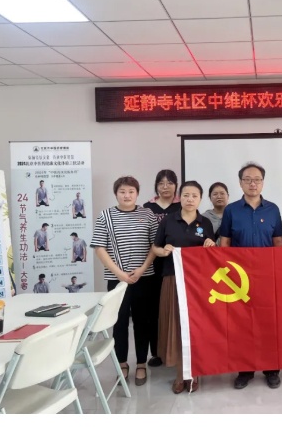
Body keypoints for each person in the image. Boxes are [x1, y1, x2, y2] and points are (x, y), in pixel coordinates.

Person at [219, 162, 282, 390]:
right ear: (240, 183)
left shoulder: (273, 209)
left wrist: (278, 271)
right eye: (247, 179)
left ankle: (271, 369)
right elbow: (225, 243)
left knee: (269, 322)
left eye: (257, 179)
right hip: (240, 278)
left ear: (263, 183)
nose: (252, 183)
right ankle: (245, 370)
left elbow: (278, 243)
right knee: (242, 324)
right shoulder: (231, 210)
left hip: (267, 276)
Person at [91, 176, 158, 386]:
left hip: (144, 277)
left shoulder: (147, 214)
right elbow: (99, 248)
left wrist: (142, 269)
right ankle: (122, 364)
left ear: (137, 193)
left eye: (131, 191)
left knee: (142, 321)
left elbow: (155, 246)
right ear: (116, 194)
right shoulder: (106, 215)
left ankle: (141, 363)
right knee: (119, 322)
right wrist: (119, 274)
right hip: (117, 280)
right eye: (122, 192)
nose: (127, 195)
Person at [150, 181, 215, 394]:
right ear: (180, 197)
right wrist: (164, 251)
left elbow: (212, 252)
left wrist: (211, 245)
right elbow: (155, 247)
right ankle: (180, 374)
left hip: (198, 283)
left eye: (194, 195)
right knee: (177, 325)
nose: (190, 199)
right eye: (186, 195)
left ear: (200, 199)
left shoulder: (205, 223)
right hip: (173, 278)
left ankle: (194, 372)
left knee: (196, 326)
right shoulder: (169, 221)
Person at [142, 169, 182, 368]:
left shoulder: (182, 205)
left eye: (170, 183)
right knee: (153, 309)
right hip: (152, 264)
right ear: (156, 186)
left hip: (175, 266)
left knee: (175, 309)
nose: (165, 187)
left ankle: (176, 351)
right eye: (161, 183)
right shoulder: (147, 207)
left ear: (176, 185)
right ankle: (157, 352)